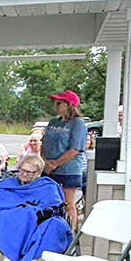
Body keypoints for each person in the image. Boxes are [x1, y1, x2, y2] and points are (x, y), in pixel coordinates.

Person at [0, 154, 73, 261]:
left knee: (54, 224)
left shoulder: (48, 186)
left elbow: (54, 206)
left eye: (29, 172)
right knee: (10, 216)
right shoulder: (7, 185)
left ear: (38, 173)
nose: (24, 174)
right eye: (22, 170)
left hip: (39, 221)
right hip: (11, 219)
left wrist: (32, 212)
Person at [42, 90, 85, 229]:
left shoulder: (77, 123)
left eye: (59, 103)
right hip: (49, 167)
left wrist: (56, 163)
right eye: (55, 103)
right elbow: (44, 143)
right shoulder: (53, 121)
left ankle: (69, 233)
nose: (56, 106)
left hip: (69, 168)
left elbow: (75, 149)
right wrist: (45, 161)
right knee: (48, 200)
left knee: (68, 202)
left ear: (69, 105)